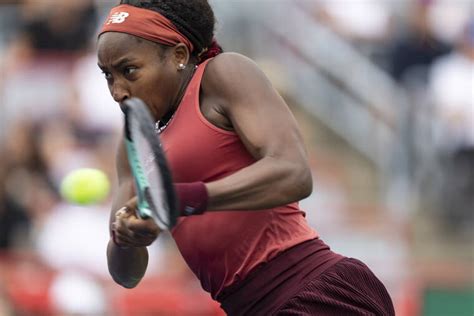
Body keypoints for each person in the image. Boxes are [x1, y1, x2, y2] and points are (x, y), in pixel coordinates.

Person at [97, 0, 395, 315]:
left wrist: (184, 198)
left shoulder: (222, 75)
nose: (118, 91)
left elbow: (293, 172)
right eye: (108, 76)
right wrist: (126, 238)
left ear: (178, 56)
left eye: (129, 70)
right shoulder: (131, 148)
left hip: (313, 292)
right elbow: (126, 276)